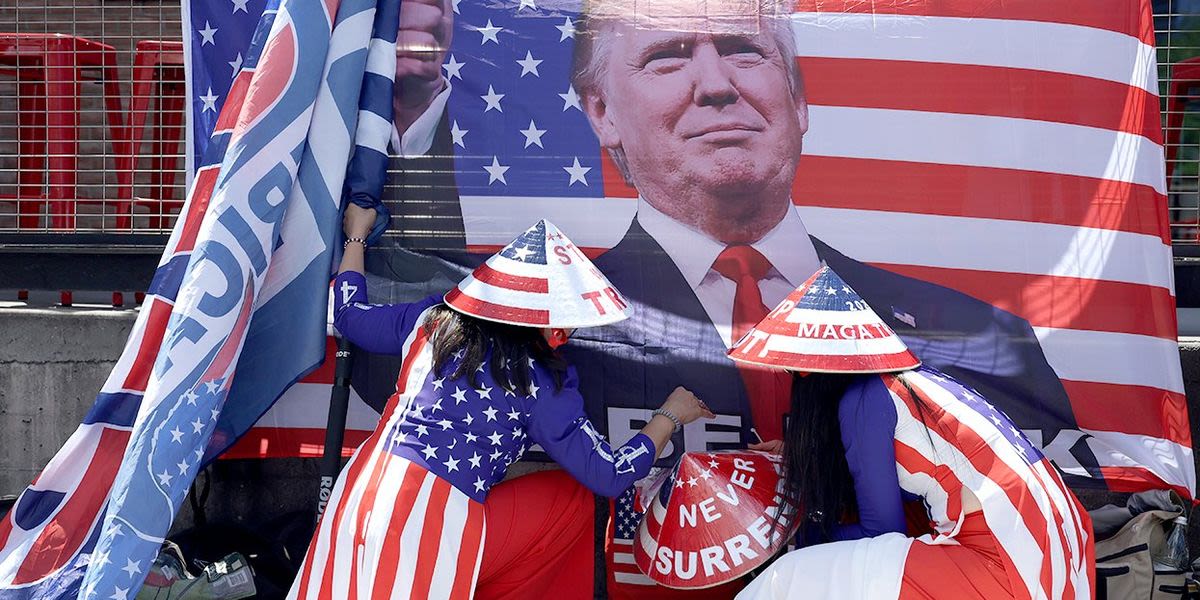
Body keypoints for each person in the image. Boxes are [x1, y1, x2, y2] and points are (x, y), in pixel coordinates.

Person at [287, 206, 713, 599]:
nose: (566, 334)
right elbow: (608, 475)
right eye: (564, 322)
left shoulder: (432, 319)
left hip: (358, 492)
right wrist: (670, 415)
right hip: (434, 520)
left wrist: (356, 237)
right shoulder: (540, 381)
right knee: (574, 499)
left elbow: (349, 314)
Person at [730, 266, 1094, 600]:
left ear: (812, 371)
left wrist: (791, 540)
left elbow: (882, 532)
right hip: (1058, 554)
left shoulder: (864, 399)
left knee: (789, 578)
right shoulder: (911, 382)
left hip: (1005, 563)